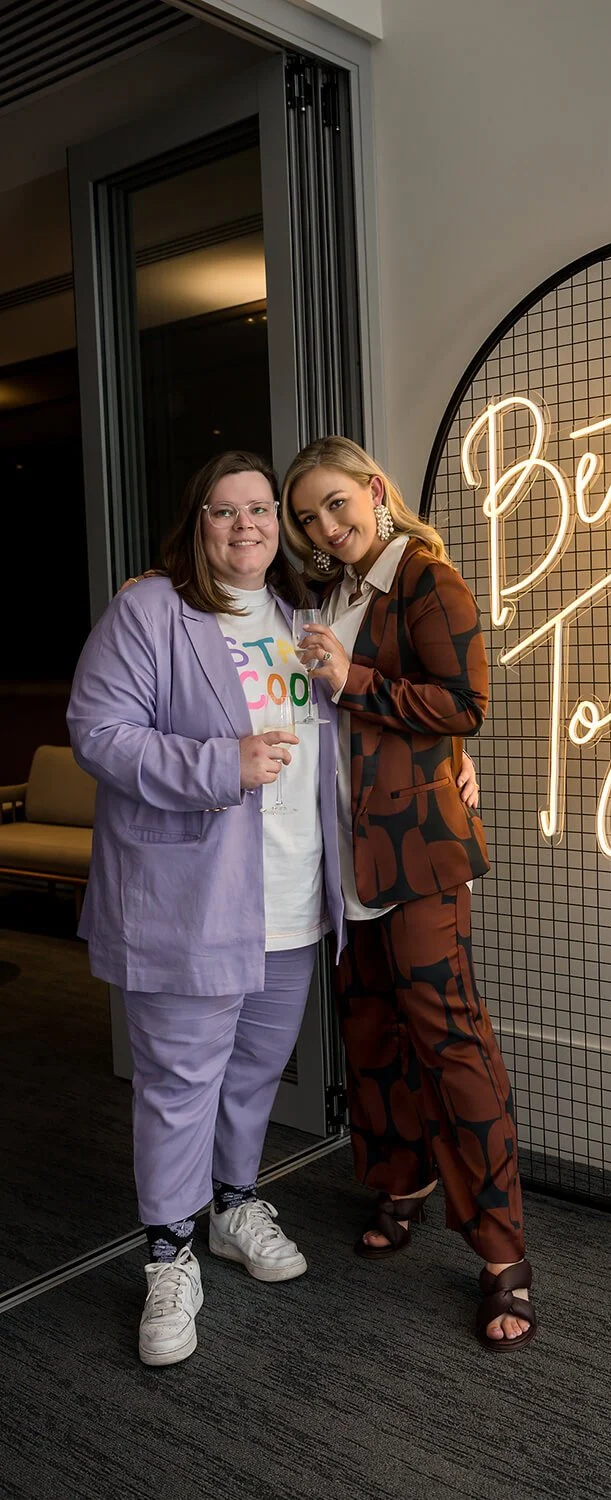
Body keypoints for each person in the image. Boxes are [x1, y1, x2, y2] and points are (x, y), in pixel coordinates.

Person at [67, 450, 346, 1367]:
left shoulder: (302, 617)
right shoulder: (151, 611)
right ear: (197, 523)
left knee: (255, 1071)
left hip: (292, 893)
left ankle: (231, 1207)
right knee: (180, 1084)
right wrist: (218, 764)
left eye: (261, 510)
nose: (246, 526)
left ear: (282, 524)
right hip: (190, 900)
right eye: (224, 512)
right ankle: (168, 1254)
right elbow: (99, 733)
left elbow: (334, 736)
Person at [281, 435, 537, 1350]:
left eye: (337, 504)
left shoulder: (427, 577)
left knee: (451, 1042)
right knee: (372, 1031)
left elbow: (465, 702)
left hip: (420, 854)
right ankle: (405, 1180)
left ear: (375, 491)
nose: (327, 526)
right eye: (308, 517)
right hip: (347, 855)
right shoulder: (331, 594)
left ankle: (504, 1255)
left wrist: (355, 681)